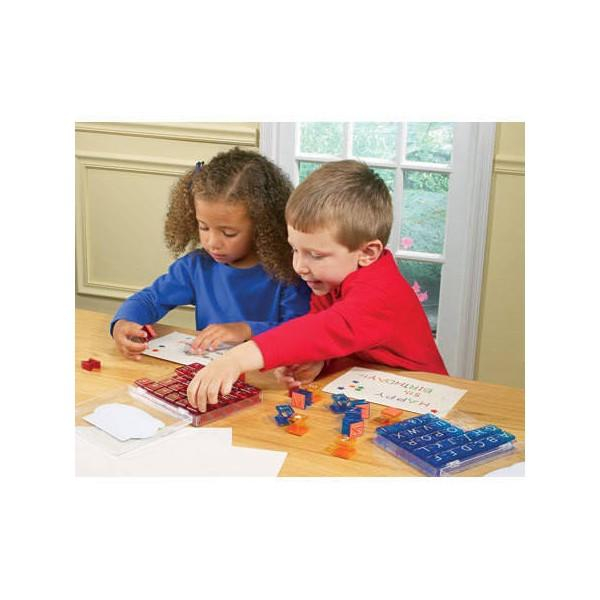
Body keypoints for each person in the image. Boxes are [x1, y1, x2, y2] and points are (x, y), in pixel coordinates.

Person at [186, 159, 448, 412]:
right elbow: (333, 338)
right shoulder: (329, 281)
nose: (299, 266)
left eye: (316, 255)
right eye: (295, 250)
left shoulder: (379, 293)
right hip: (369, 392)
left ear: (367, 253)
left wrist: (236, 359)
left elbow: (327, 328)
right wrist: (319, 361)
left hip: (422, 402)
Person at [111, 147, 311, 360]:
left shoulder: (289, 272)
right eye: (203, 227)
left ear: (263, 226)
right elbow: (151, 299)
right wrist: (123, 322)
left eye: (229, 233)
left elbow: (300, 331)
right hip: (209, 373)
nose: (212, 243)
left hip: (269, 373)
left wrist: (246, 330)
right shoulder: (196, 267)